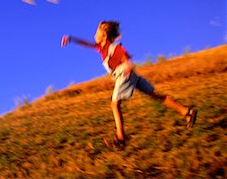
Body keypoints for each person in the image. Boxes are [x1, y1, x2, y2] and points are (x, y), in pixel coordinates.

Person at [61, 21, 197, 148]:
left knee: (115, 104)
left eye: (97, 33)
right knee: (155, 95)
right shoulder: (100, 47)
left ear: (104, 35)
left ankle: (121, 138)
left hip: (124, 74)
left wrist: (127, 66)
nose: (94, 35)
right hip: (130, 75)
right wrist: (71, 39)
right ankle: (186, 111)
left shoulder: (112, 47)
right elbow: (86, 43)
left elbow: (125, 56)